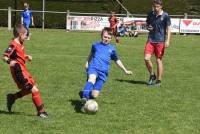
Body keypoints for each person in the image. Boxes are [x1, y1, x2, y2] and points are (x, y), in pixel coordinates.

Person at [2, 24, 48, 118]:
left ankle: (12, 97)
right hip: (18, 71)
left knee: (31, 88)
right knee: (33, 89)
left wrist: (26, 56)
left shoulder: (20, 43)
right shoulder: (13, 44)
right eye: (25, 35)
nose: (26, 37)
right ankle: (41, 112)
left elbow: (18, 55)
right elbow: (4, 56)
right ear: (20, 34)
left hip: (23, 70)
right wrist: (9, 61)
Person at [79, 27, 133, 104]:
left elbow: (117, 60)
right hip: (94, 67)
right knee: (92, 79)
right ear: (101, 36)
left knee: (94, 95)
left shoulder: (112, 49)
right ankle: (85, 97)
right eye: (105, 37)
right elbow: (91, 54)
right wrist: (87, 62)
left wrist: (125, 70)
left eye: (109, 38)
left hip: (103, 73)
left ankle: (83, 94)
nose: (106, 39)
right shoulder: (95, 45)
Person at [144, 0, 171, 86]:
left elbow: (169, 29)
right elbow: (147, 24)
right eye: (154, 6)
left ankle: (159, 80)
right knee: (146, 59)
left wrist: (167, 40)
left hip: (160, 42)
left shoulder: (166, 15)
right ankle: (152, 75)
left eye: (157, 7)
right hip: (150, 40)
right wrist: (148, 27)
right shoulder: (150, 14)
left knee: (158, 60)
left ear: (161, 7)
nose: (155, 8)